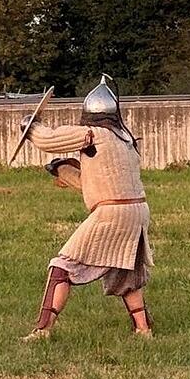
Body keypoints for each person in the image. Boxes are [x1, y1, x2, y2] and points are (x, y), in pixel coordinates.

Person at [21, 75, 153, 340]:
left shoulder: (94, 135)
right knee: (124, 273)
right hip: (137, 212)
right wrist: (63, 170)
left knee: (61, 267)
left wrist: (30, 126)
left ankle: (42, 330)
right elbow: (97, 182)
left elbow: (50, 139)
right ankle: (143, 329)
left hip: (112, 214)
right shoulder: (126, 141)